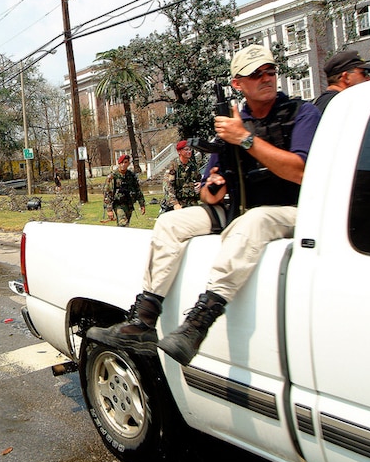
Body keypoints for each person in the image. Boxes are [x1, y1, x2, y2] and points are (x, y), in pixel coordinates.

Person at [88, 44, 321, 365]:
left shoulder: (300, 113)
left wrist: (245, 139)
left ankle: (198, 325)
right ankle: (143, 320)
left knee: (253, 222)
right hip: (238, 208)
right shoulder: (231, 124)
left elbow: (301, 171)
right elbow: (207, 189)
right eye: (256, 74)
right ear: (238, 83)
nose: (266, 78)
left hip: (291, 211)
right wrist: (212, 188)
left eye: (270, 71)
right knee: (171, 222)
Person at [313, 50, 370, 114]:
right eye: (364, 73)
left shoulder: (324, 102)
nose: (369, 79)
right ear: (346, 77)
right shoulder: (341, 104)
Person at [160, 140, 202, 213]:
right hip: (178, 203)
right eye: (186, 149)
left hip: (191, 202)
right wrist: (175, 203)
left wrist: (200, 184)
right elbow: (168, 186)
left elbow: (199, 180)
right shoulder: (173, 167)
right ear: (179, 151)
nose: (189, 151)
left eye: (190, 149)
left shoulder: (193, 166)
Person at [103, 154, 146, 226]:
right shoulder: (113, 176)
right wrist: (109, 210)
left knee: (126, 224)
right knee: (123, 223)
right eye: (121, 163)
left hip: (129, 204)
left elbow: (137, 190)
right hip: (119, 204)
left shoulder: (131, 175)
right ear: (119, 164)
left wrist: (142, 204)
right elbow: (107, 193)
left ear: (128, 163)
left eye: (125, 162)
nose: (123, 165)